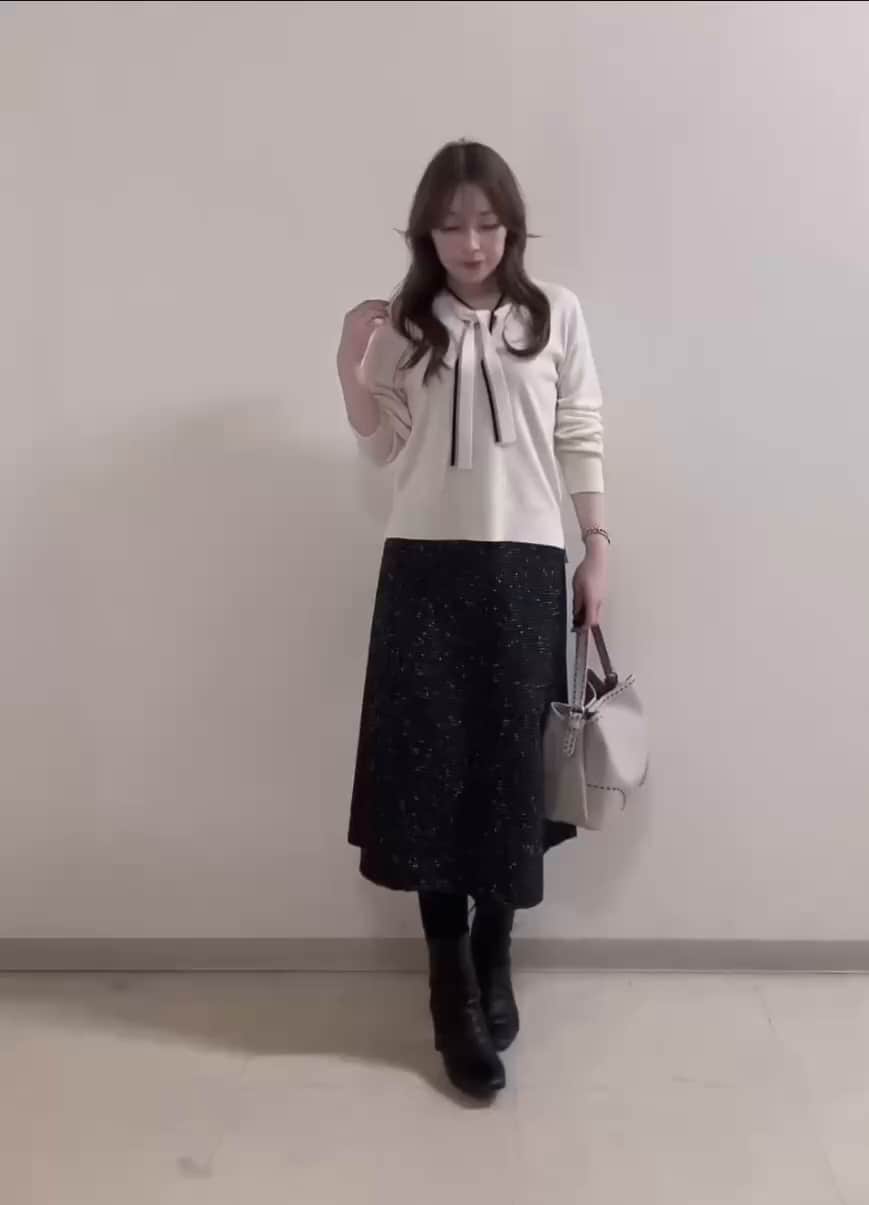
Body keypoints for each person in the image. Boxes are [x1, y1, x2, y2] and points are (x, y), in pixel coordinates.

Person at [337, 140, 609, 1099]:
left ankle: (496, 952)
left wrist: (596, 543)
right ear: (426, 232)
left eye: (488, 222)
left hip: (526, 565)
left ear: (511, 227)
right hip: (423, 568)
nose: (471, 242)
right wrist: (349, 364)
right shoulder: (408, 323)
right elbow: (381, 449)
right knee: (432, 775)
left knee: (507, 773)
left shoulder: (554, 314)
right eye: (451, 225)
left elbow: (579, 429)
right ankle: (448, 978)